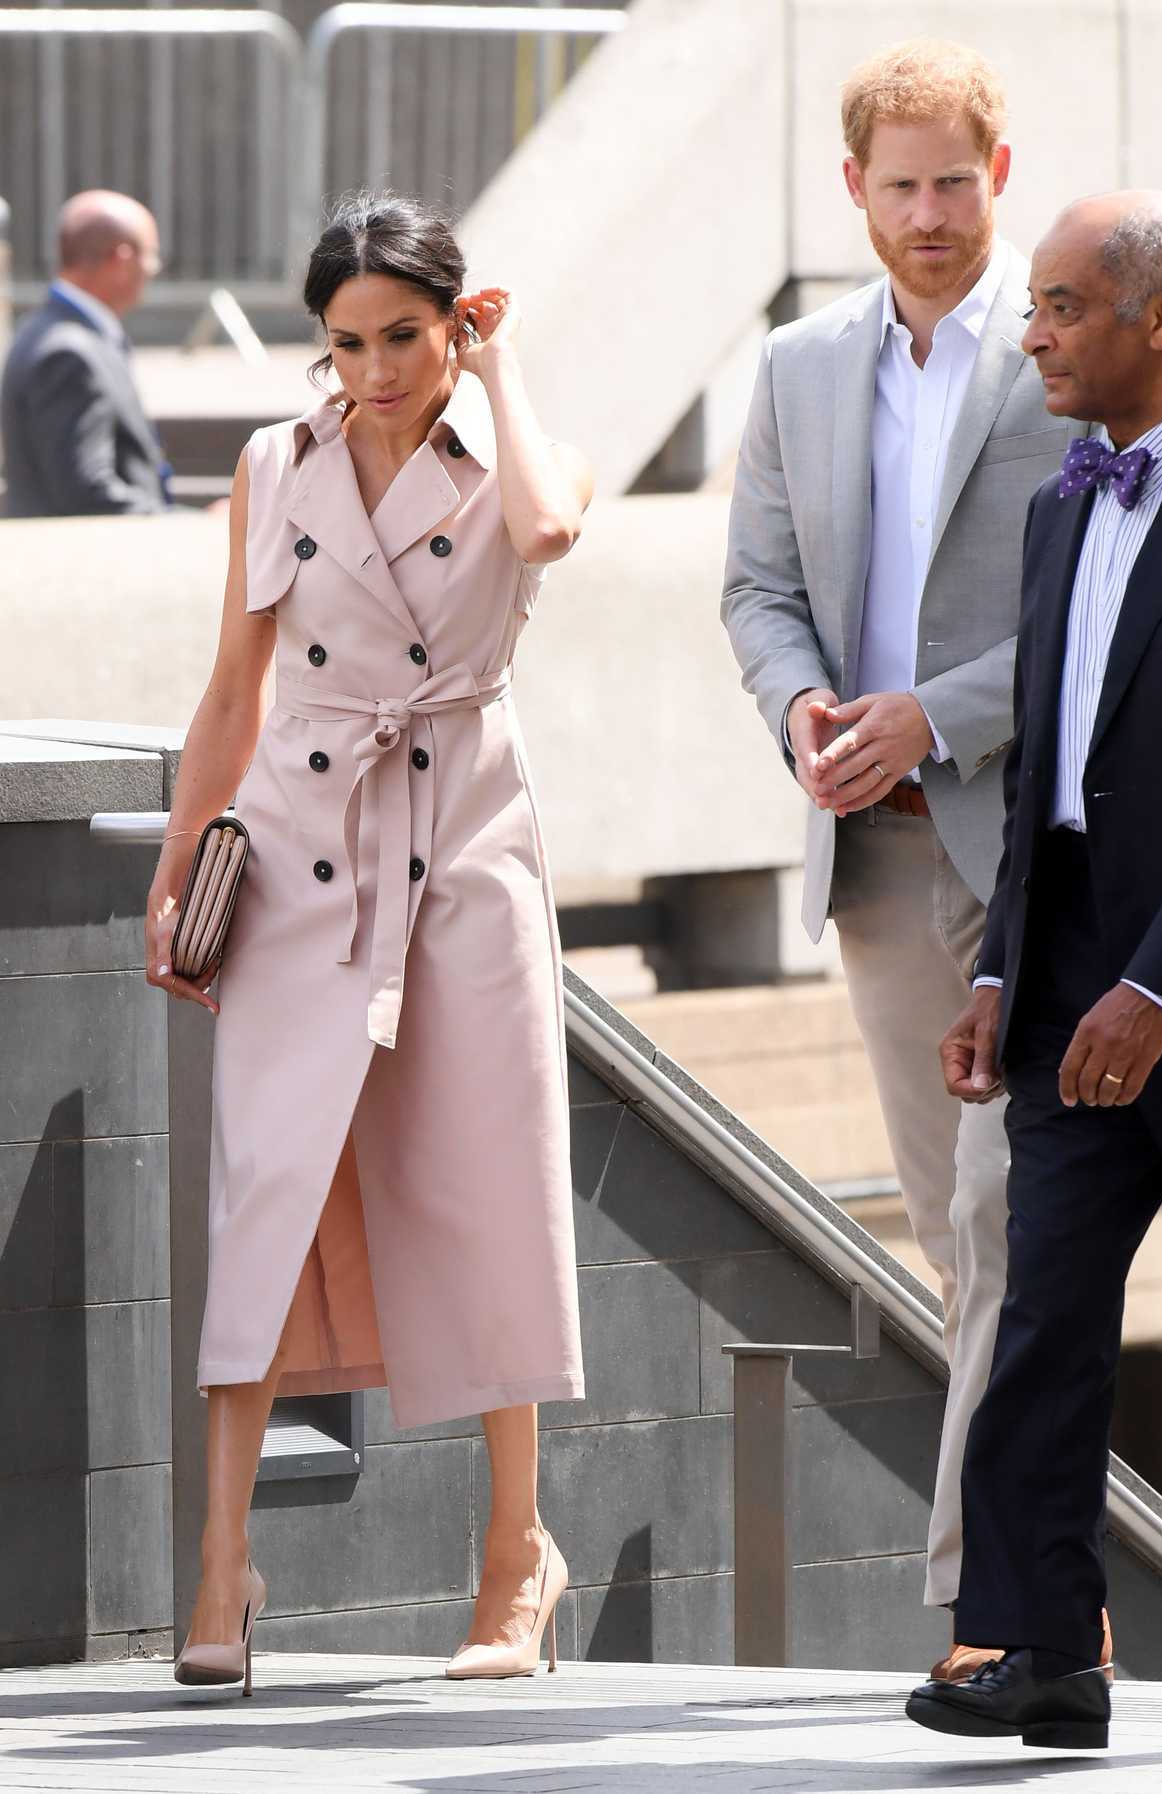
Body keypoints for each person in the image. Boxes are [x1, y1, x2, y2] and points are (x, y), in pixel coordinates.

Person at [146, 193, 592, 1694]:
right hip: (299, 851)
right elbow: (233, 685)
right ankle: (222, 1562)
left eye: (404, 336)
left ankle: (513, 1555)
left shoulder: (507, 451)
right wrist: (175, 871)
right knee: (264, 1182)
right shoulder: (276, 464)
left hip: (463, 840)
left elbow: (545, 528)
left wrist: (506, 371)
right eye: (346, 345)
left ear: (456, 325)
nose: (374, 372)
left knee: (488, 1176)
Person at [721, 40, 1083, 1672]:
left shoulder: (1063, 349)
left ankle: (983, 1597)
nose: (926, 211)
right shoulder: (797, 363)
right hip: (870, 853)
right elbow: (755, 587)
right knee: (952, 1233)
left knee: (1009, 1224)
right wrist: (804, 703)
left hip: (1032, 846)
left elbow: (1106, 615)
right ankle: (1035, 1579)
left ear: (996, 180)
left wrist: (928, 713)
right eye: (898, 181)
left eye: (953, 181)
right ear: (853, 187)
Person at [908, 191, 1162, 1753]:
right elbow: (1043, 770)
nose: (1028, 336)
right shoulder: (1055, 507)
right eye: (1031, 310)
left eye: (1060, 307)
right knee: (1039, 1315)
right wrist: (1000, 971)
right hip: (1066, 961)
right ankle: (1042, 1652)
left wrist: (1160, 987)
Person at [1, 190, 172, 517]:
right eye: (150, 255)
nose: (153, 268)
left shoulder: (61, 332)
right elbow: (85, 495)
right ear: (122, 259)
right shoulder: (68, 353)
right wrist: (183, 522)